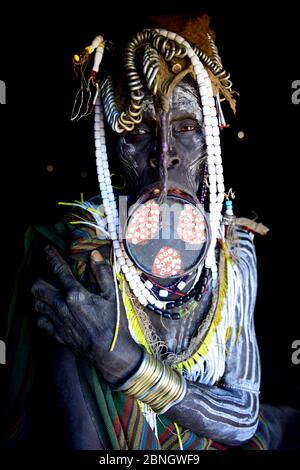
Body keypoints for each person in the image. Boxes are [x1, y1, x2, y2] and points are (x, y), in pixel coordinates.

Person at [1, 15, 298, 450]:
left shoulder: (235, 252)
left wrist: (122, 360)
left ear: (212, 138)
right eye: (138, 133)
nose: (165, 157)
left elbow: (242, 417)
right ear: (112, 151)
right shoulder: (80, 253)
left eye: (186, 129)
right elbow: (84, 440)